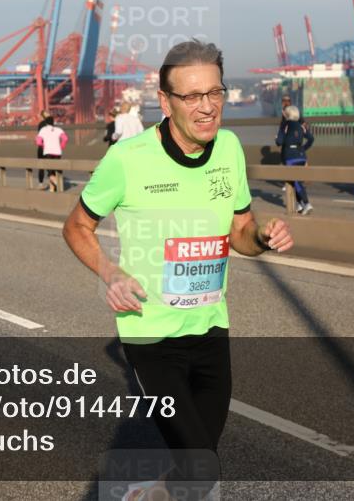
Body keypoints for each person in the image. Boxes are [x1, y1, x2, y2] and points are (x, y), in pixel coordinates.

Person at [63, 40, 293, 501]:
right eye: (192, 96)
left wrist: (263, 238)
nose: (207, 108)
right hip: (152, 335)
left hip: (211, 326)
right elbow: (76, 227)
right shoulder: (127, 160)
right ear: (165, 103)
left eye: (215, 93)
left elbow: (241, 231)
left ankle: (149, 496)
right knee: (202, 467)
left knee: (199, 464)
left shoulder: (228, 148)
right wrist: (111, 273)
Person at [275, 104, 315, 215]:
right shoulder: (301, 125)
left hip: (290, 156)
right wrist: (303, 148)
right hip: (301, 156)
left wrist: (277, 138)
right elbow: (311, 139)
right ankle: (299, 205)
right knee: (295, 181)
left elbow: (279, 142)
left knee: (295, 181)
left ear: (287, 115)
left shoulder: (285, 125)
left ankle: (307, 204)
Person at [35, 115, 68, 192]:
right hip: (57, 153)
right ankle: (52, 189)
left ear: (46, 123)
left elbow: (38, 142)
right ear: (53, 122)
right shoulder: (58, 129)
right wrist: (61, 146)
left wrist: (43, 146)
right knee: (55, 170)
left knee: (50, 172)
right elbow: (65, 138)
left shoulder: (43, 129)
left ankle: (57, 183)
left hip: (48, 153)